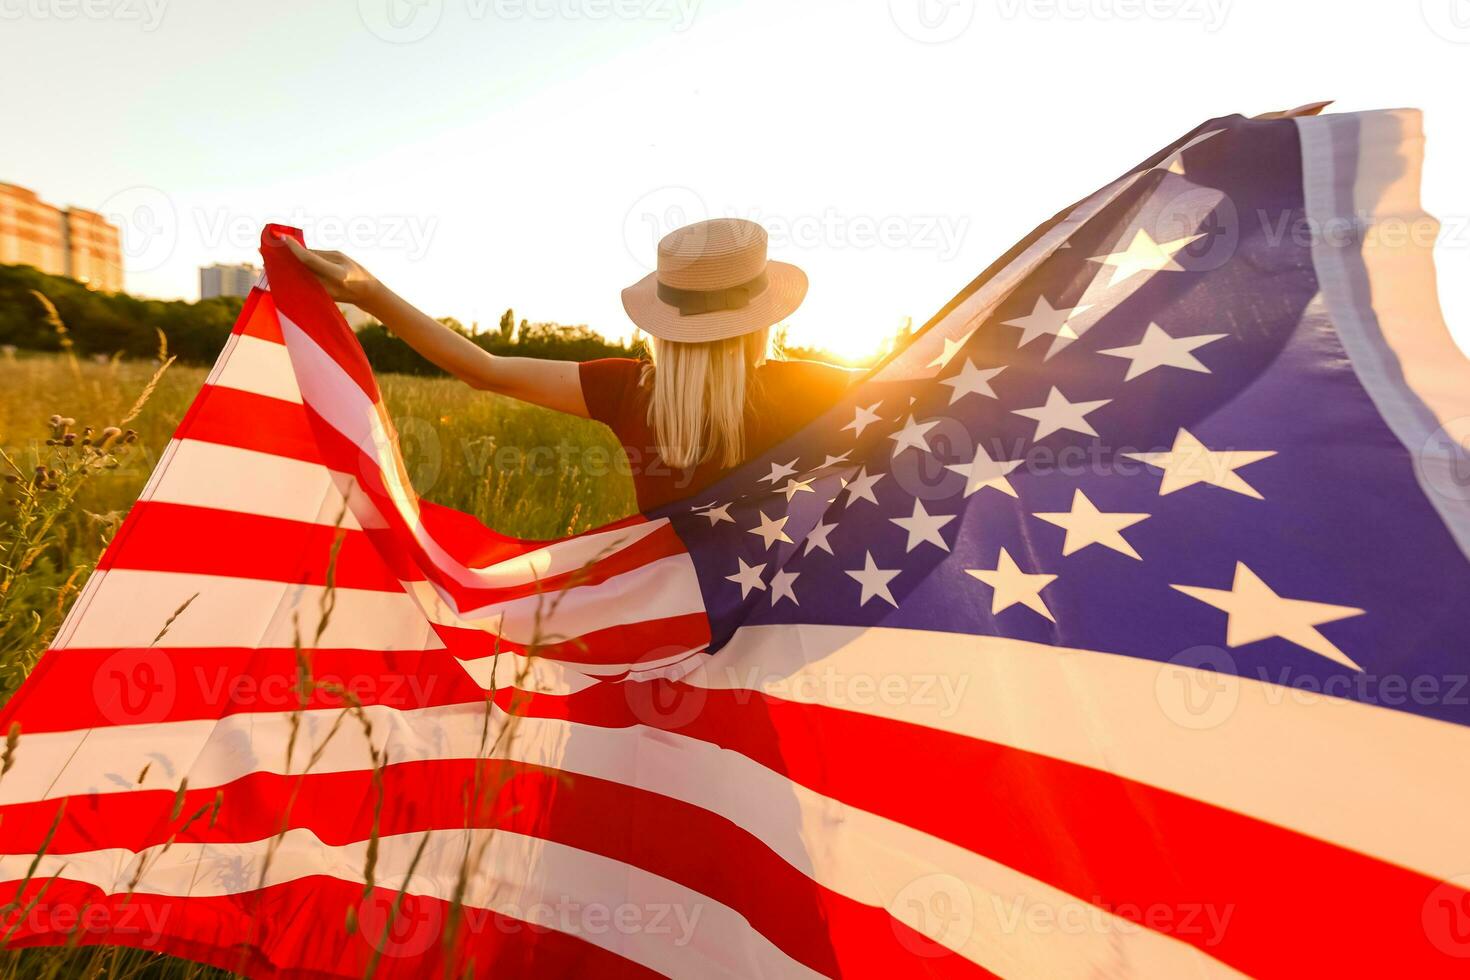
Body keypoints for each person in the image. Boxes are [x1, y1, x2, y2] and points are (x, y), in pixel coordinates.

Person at [283, 217, 857, 510]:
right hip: (779, 635)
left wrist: (370, 292)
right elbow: (939, 393)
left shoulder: (628, 389)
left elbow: (483, 367)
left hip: (672, 628)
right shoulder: (816, 387)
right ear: (764, 317)